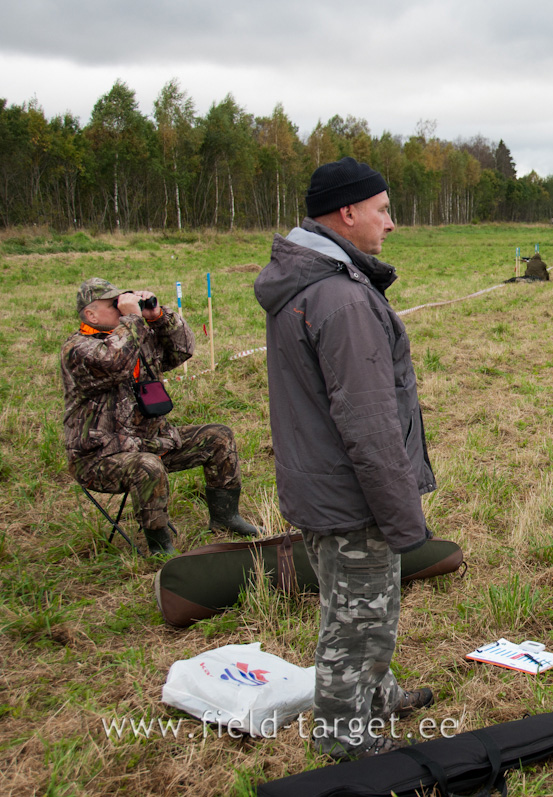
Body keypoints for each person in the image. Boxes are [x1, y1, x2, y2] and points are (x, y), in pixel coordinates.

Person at [254, 156, 434, 760]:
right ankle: (342, 740)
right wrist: (401, 513)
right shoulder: (340, 299)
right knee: (358, 623)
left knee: (358, 601)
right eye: (382, 210)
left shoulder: (318, 285)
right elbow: (369, 423)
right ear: (348, 213)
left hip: (325, 484)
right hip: (350, 494)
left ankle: (378, 697)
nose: (391, 223)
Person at [62, 279, 261, 556]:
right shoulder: (78, 349)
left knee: (218, 436)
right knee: (147, 467)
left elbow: (182, 350)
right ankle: (159, 546)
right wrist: (132, 318)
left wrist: (158, 317)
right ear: (90, 314)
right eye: (113, 305)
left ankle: (226, 518)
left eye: (123, 302)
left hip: (149, 441)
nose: (121, 309)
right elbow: (115, 363)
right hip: (100, 456)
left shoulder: (132, 336)